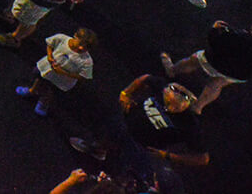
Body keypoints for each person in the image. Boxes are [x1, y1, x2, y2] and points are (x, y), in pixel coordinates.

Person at [69, 75, 207, 186]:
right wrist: (126, 93)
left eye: (175, 108)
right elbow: (145, 79)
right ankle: (98, 150)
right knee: (109, 134)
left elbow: (202, 158)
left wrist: (168, 156)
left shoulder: (190, 124)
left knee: (125, 169)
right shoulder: (161, 86)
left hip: (141, 147)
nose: (169, 108)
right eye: (168, 103)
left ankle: (112, 184)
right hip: (126, 122)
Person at [162, 18, 252, 110]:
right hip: (239, 74)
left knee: (194, 60)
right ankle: (198, 107)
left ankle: (171, 70)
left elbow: (214, 42)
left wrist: (214, 29)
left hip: (217, 62)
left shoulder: (240, 37)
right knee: (216, 84)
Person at [18, 27, 96, 117]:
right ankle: (32, 91)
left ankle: (43, 103)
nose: (81, 48)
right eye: (80, 43)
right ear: (75, 36)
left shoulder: (87, 61)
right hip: (48, 69)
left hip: (62, 80)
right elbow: (50, 44)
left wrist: (63, 72)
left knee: (51, 91)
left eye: (86, 48)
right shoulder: (62, 38)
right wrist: (50, 56)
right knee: (40, 79)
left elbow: (82, 76)